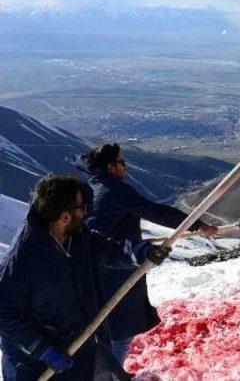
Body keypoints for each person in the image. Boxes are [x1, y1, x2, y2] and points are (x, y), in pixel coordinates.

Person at [0, 175, 170, 381]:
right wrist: (43, 350)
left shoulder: (78, 235)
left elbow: (108, 250)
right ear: (64, 217)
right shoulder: (23, 261)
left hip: (82, 343)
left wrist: (140, 253)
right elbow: (6, 317)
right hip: (36, 363)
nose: (86, 211)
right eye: (82, 207)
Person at [74, 143, 217, 366]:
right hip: (114, 269)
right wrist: (196, 224)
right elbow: (154, 211)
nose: (125, 166)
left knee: (109, 329)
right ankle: (112, 375)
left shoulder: (94, 186)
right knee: (120, 331)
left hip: (101, 267)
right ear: (110, 167)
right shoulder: (114, 191)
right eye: (121, 162)